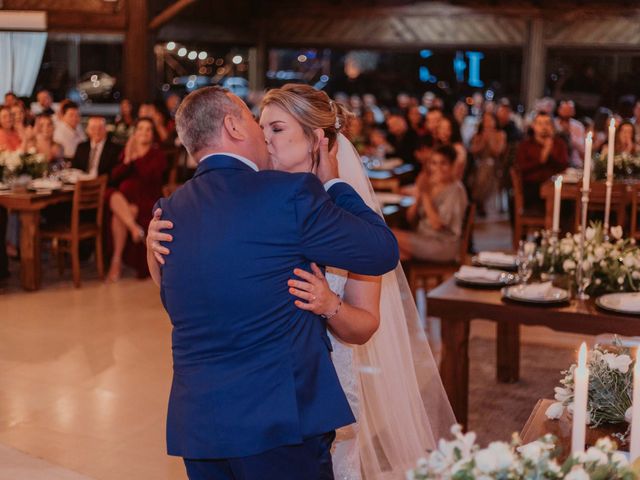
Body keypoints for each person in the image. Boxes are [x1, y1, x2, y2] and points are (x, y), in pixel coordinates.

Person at [147, 85, 455, 479]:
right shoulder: (286, 196)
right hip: (280, 419)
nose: (264, 137)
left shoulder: (173, 207)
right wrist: (334, 186)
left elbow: (182, 301)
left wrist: (331, 305)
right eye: (260, 126)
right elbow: (382, 249)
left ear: (317, 141)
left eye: (276, 128)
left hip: (206, 421)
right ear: (234, 127)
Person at [107, 117, 166, 281]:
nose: (144, 133)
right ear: (136, 132)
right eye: (141, 128)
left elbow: (149, 177)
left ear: (152, 134)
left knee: (122, 214)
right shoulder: (128, 151)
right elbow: (115, 176)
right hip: (126, 199)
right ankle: (134, 229)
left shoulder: (157, 154)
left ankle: (116, 261)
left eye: (148, 129)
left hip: (147, 199)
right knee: (113, 195)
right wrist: (127, 159)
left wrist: (135, 159)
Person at [394, 144, 469, 262]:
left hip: (443, 244)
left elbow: (437, 224)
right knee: (390, 250)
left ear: (452, 166)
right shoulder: (430, 186)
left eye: (443, 163)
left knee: (387, 238)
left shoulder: (455, 189)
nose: (437, 168)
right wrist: (419, 193)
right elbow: (410, 218)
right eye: (434, 163)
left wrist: (424, 194)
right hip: (423, 238)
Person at [515, 112, 569, 214]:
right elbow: (520, 168)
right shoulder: (525, 145)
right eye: (540, 123)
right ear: (534, 126)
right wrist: (541, 159)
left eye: (547, 123)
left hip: (558, 188)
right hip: (532, 189)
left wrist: (549, 154)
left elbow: (564, 166)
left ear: (552, 126)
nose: (544, 127)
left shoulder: (559, 144)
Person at [469, 111, 507, 216]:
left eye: (490, 120)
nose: (488, 123)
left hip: (495, 165)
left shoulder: (500, 134)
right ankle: (478, 201)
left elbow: (497, 152)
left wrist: (490, 140)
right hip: (478, 164)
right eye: (485, 120)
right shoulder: (477, 135)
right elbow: (473, 151)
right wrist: (482, 140)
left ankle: (477, 200)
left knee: (486, 168)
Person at [434, 115, 467, 181]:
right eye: (441, 128)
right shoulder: (440, 146)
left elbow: (455, 174)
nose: (443, 132)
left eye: (447, 129)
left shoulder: (458, 149)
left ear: (453, 130)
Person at [555, 100, 585, 168]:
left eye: (570, 109)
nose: (567, 112)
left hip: (575, 163)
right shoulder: (553, 124)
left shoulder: (578, 126)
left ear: (573, 112)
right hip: (556, 162)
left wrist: (568, 137)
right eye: (565, 109)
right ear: (559, 110)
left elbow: (582, 148)